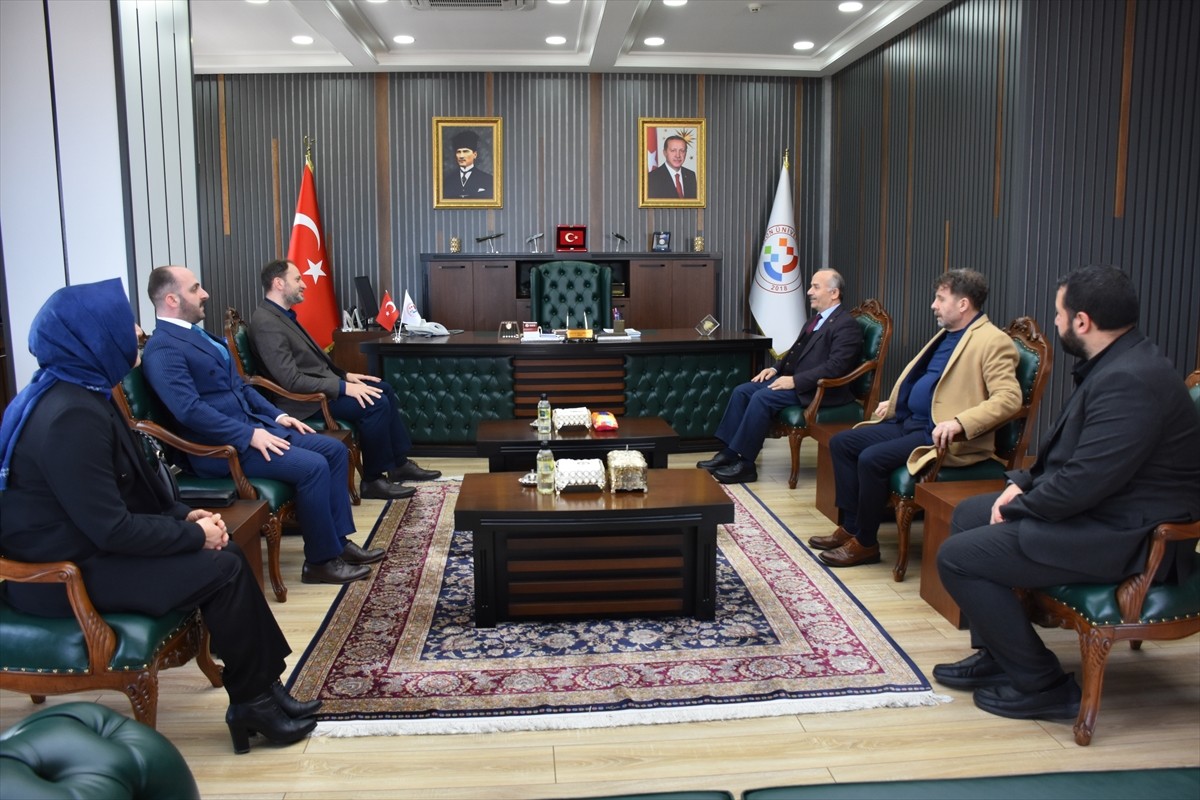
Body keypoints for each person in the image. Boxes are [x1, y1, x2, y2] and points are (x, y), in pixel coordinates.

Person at [0, 279, 319, 754]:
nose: (135, 330)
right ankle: (255, 701)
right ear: (94, 337)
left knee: (225, 550)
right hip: (63, 578)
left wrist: (189, 519)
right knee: (224, 565)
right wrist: (192, 537)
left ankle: (264, 692)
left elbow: (134, 490)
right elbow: (109, 525)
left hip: (92, 551)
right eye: (122, 323)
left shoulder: (84, 392)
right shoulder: (69, 415)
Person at [934, 265, 1200, 721]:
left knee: (958, 557)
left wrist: (1022, 508)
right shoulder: (1117, 360)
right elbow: (1065, 451)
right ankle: (1001, 653)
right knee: (968, 516)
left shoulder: (1130, 379)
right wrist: (1018, 485)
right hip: (1104, 510)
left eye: (1058, 313)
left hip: (1127, 536)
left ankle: (1046, 685)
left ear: (1082, 321)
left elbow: (1084, 481)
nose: (1054, 321)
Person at [141, 265, 378, 586]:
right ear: (171, 299)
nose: (205, 294)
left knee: (334, 450)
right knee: (312, 467)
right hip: (221, 449)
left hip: (257, 430)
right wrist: (250, 434)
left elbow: (240, 388)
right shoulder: (164, 347)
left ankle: (337, 544)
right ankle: (320, 563)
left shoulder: (198, 336)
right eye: (196, 288)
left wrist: (278, 416)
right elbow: (189, 411)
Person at [811, 269, 1022, 568]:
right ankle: (852, 525)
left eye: (940, 298)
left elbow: (1009, 399)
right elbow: (926, 379)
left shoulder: (992, 341)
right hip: (908, 421)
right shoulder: (947, 333)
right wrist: (894, 401)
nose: (933, 305)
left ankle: (866, 543)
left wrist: (960, 422)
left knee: (871, 458)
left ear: (963, 304)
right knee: (844, 443)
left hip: (939, 434)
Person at [249, 259, 441, 500]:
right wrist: (343, 388)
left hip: (322, 386)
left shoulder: (282, 315)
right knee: (375, 404)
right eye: (297, 279)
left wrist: (345, 375)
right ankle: (373, 480)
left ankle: (398, 464)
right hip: (304, 402)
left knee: (384, 389)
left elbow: (311, 361)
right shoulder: (266, 322)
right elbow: (290, 380)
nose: (304, 285)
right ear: (278, 283)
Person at [698, 269, 863, 484]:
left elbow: (836, 367)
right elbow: (795, 352)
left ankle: (747, 465)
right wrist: (775, 369)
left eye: (816, 287)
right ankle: (729, 453)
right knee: (743, 391)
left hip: (819, 389)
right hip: (795, 380)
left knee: (762, 397)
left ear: (834, 293)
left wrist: (794, 381)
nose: (809, 292)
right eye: (811, 286)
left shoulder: (846, 325)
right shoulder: (816, 320)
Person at [443, 130, 493, 199]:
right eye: (458, 152)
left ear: (475, 155)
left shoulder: (488, 180)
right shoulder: (448, 181)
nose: (461, 156)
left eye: (465, 151)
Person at [647, 134, 698, 199]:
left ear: (686, 153)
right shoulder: (652, 178)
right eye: (673, 150)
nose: (678, 155)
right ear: (665, 152)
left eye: (682, 151)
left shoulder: (691, 175)